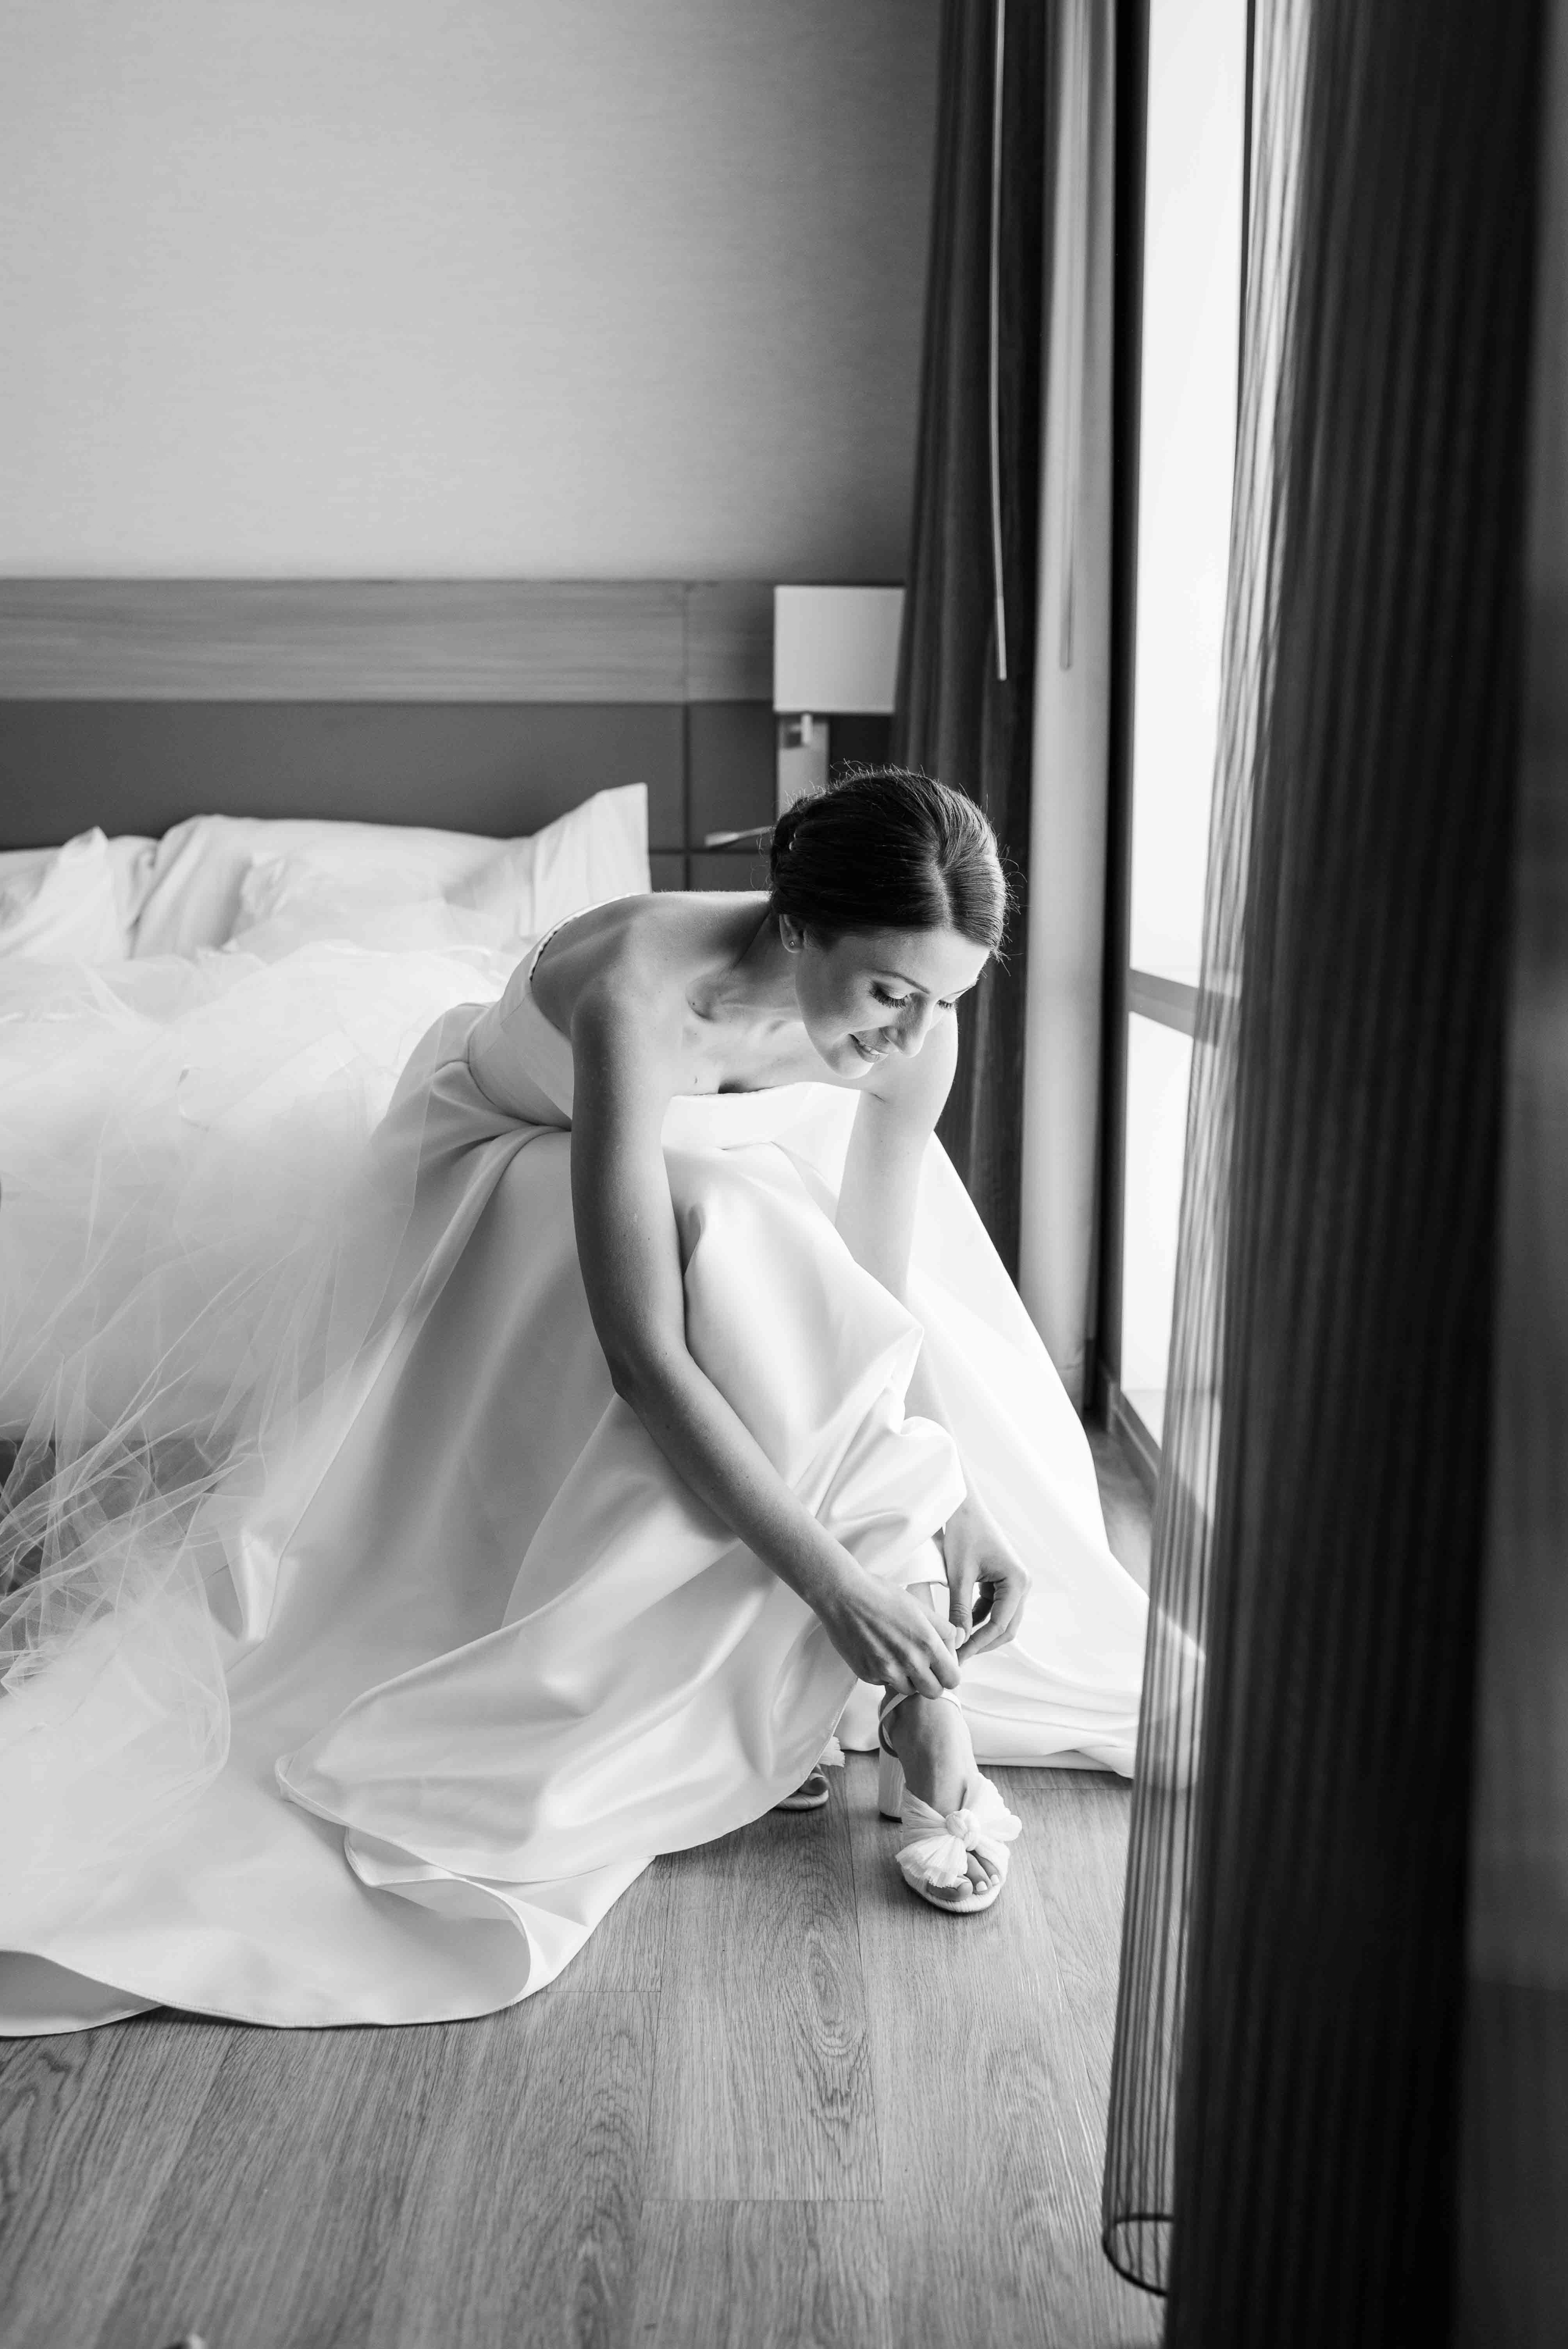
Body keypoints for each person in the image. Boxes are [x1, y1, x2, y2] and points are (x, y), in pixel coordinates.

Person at [0, 769, 1146, 2033]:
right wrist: (833, 1584)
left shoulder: (915, 1032)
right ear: (800, 925)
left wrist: (957, 1504)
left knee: (788, 1269)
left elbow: (884, 1293)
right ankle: (900, 1710)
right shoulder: (639, 993)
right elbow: (644, 1355)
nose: (911, 1036)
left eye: (945, 1001)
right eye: (890, 993)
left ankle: (922, 1703)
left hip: (712, 1184)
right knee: (743, 1228)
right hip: (496, 1166)